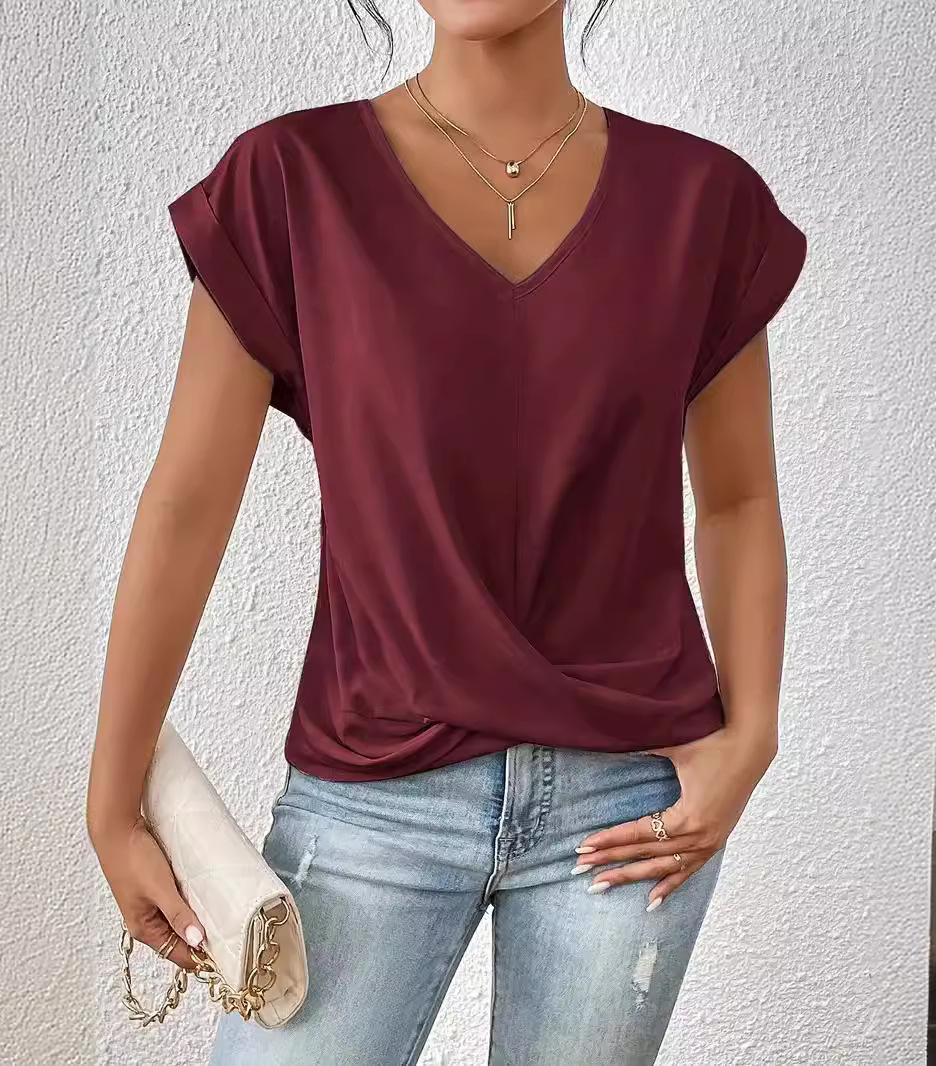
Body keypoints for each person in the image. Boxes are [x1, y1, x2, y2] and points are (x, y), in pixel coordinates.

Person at [87, 1, 807, 1062]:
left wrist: (752, 736)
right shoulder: (290, 183)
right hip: (372, 797)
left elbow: (738, 498)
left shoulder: (704, 201)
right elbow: (188, 504)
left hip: (626, 806)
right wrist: (112, 805)